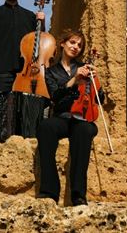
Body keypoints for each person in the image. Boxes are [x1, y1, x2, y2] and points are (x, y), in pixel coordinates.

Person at [37, 29, 104, 206]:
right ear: (62, 43)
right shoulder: (51, 72)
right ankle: (49, 191)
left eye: (79, 45)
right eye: (72, 42)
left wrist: (96, 82)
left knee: (85, 130)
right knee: (46, 127)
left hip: (82, 119)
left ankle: (78, 195)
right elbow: (55, 96)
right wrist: (74, 80)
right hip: (62, 117)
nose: (76, 47)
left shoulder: (84, 68)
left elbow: (100, 99)